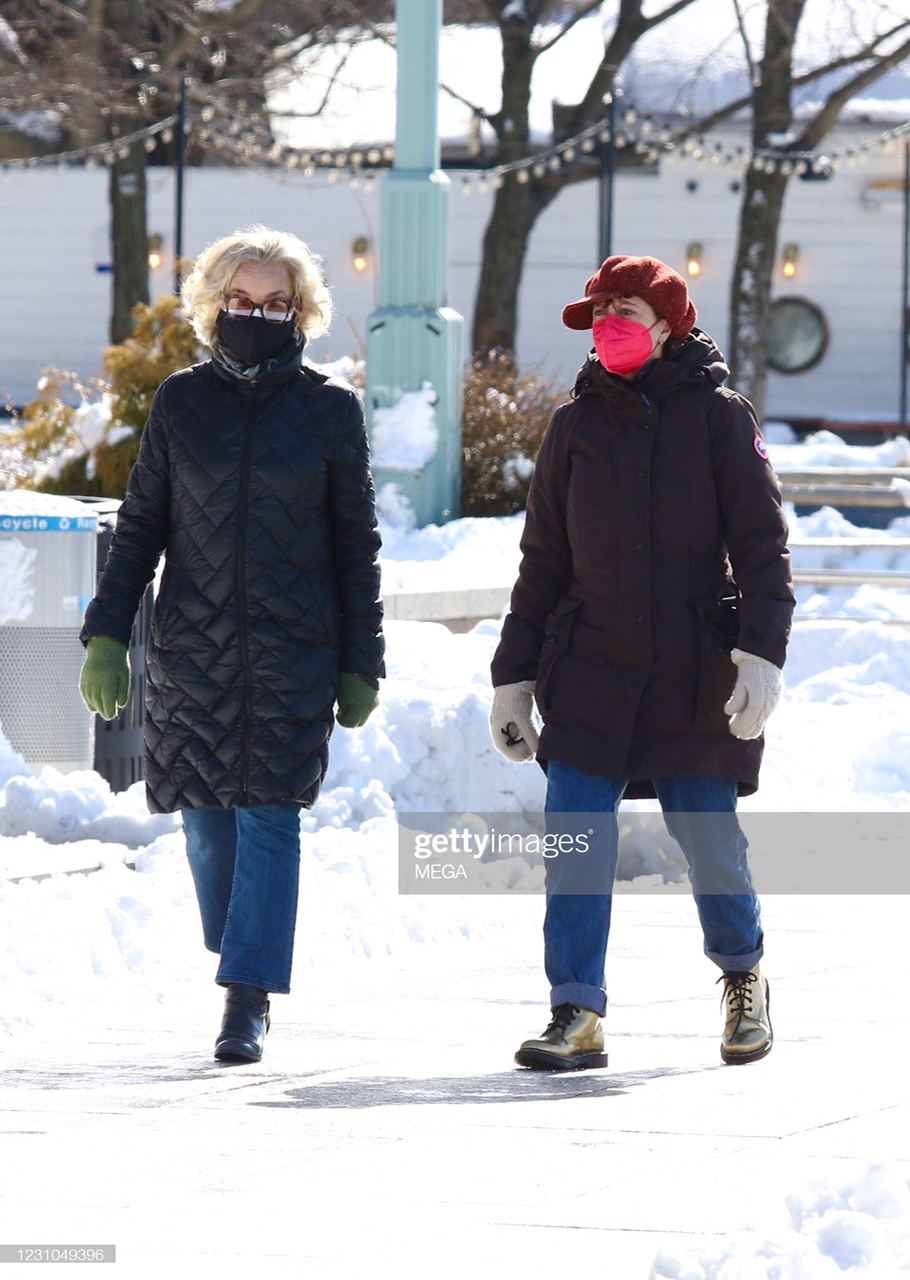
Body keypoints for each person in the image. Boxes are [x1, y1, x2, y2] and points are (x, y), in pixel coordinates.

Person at [78, 225, 385, 1065]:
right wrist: (108, 634)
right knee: (206, 825)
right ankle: (238, 947)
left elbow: (356, 543)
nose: (257, 314)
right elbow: (142, 526)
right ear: (216, 305)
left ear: (300, 311)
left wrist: (363, 660)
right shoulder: (181, 403)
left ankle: (246, 998)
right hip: (193, 650)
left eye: (275, 303)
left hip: (295, 652)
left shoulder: (330, 410)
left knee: (270, 817)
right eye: (242, 300)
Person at [489, 254, 794, 1071]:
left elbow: (763, 550)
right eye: (601, 311)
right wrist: (511, 678)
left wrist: (761, 654)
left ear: (669, 323)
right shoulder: (573, 428)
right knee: (575, 838)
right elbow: (542, 563)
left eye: (626, 308)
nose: (610, 323)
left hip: (695, 671)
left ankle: (742, 974)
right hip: (591, 668)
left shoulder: (720, 418)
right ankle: (575, 1012)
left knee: (707, 837)